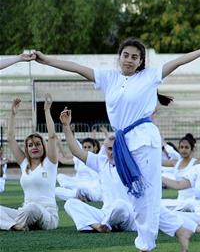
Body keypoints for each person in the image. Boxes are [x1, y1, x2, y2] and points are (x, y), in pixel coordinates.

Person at [33, 37, 200, 252]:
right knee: (137, 195)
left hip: (144, 139)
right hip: (124, 143)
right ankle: (180, 229)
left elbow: (178, 61)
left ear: (141, 61)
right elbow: (75, 68)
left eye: (134, 57)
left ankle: (145, 247)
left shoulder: (149, 76)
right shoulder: (108, 77)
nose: (129, 60)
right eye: (126, 55)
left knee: (144, 195)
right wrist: (45, 61)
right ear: (119, 57)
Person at [59, 108, 136, 233]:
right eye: (108, 149)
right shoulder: (101, 162)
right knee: (70, 203)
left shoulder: (131, 163)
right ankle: (98, 226)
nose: (111, 152)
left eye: (114, 148)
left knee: (120, 206)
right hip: (105, 213)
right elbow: (76, 151)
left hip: (128, 216)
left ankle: (103, 224)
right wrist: (66, 126)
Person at [1, 97, 59, 231]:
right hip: (25, 212)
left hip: (47, 215)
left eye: (38, 144)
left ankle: (13, 224)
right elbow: (10, 138)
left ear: (43, 147)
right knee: (25, 209)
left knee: (31, 208)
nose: (34, 147)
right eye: (30, 145)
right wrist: (13, 114)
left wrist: (46, 110)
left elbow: (52, 136)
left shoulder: (50, 162)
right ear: (26, 148)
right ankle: (16, 226)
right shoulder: (24, 163)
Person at [160, 134, 200, 211]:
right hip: (180, 200)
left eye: (186, 147)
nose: (183, 150)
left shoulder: (196, 163)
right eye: (181, 147)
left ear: (192, 149)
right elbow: (156, 162)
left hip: (193, 200)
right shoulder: (176, 162)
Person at [55, 136, 102, 203]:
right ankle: (78, 196)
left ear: (94, 148)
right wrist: (59, 144)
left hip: (92, 186)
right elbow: (74, 144)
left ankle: (79, 196)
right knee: (58, 183)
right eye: (85, 147)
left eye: (89, 147)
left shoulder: (98, 159)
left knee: (85, 190)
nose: (87, 149)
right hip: (78, 183)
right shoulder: (79, 159)